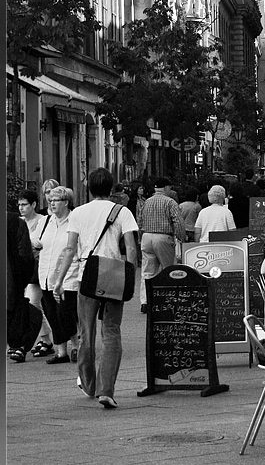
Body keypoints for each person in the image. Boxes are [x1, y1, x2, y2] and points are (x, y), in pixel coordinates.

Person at [52, 167, 138, 408]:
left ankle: (89, 384)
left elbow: (70, 248)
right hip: (114, 276)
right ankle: (106, 389)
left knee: (86, 333)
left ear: (88, 188)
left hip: (87, 276)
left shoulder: (78, 213)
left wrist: (59, 281)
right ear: (111, 188)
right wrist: (129, 276)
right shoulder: (122, 212)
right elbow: (131, 247)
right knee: (111, 332)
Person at [38, 186, 79, 365]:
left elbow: (76, 249)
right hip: (46, 276)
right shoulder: (46, 222)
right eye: (50, 200)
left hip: (68, 277)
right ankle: (61, 352)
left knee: (65, 314)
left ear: (66, 202)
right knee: (52, 315)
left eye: (56, 200)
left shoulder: (75, 222)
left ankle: (78, 345)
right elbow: (37, 242)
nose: (52, 203)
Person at [139, 176, 186, 312]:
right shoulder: (170, 202)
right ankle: (169, 299)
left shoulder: (146, 202)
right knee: (168, 269)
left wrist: (140, 238)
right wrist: (181, 237)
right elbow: (178, 221)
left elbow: (140, 220)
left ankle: (146, 301)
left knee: (147, 271)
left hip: (146, 236)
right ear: (166, 188)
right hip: (163, 237)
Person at [17, 189, 54, 357]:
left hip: (41, 268)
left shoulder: (44, 221)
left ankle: (26, 343)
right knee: (35, 305)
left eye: (24, 204)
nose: (21, 208)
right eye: (19, 205)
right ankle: (46, 340)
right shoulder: (18, 222)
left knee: (34, 304)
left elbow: (47, 243)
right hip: (23, 270)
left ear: (33, 205)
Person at [7, 212, 37, 363]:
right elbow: (25, 255)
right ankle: (18, 344)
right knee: (16, 309)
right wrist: (23, 279)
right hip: (12, 278)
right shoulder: (15, 222)